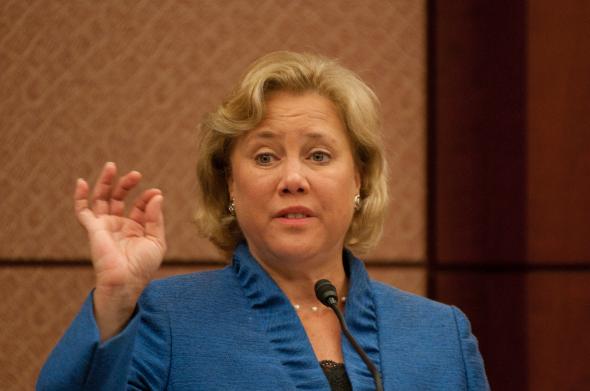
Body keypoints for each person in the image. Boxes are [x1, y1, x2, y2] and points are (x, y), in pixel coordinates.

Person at [37, 51, 489, 390]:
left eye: (318, 155)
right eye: (266, 156)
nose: (293, 178)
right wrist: (116, 301)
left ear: (360, 179)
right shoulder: (165, 321)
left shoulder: (440, 335)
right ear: (231, 184)